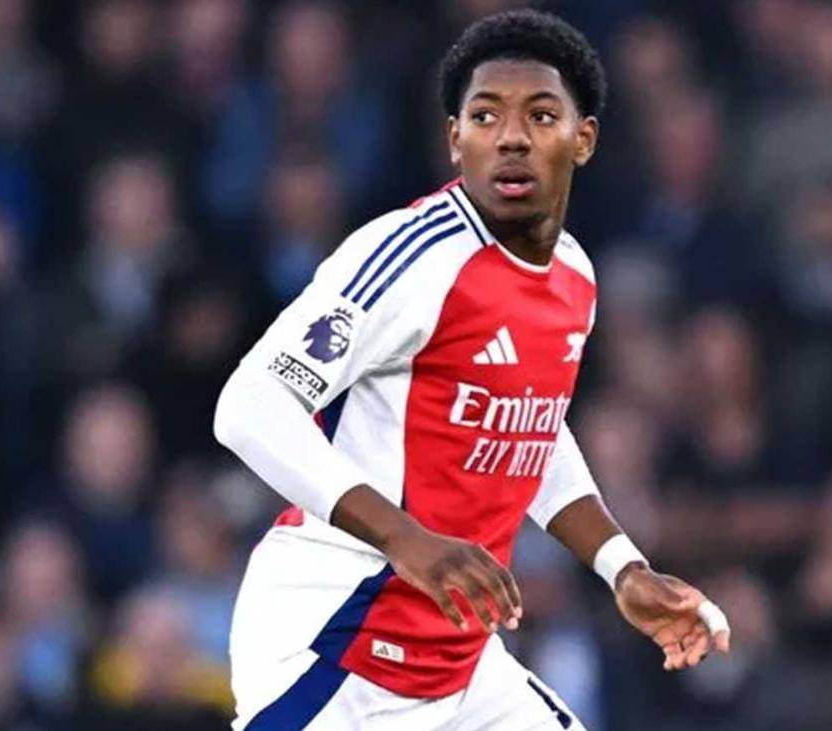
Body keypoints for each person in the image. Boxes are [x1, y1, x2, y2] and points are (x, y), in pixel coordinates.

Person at [214, 10, 731, 730]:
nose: (511, 137)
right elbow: (249, 406)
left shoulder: (574, 277)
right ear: (455, 139)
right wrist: (406, 538)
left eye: (540, 116)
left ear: (583, 139)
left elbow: (531, 428)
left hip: (457, 661)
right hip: (338, 640)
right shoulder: (409, 257)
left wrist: (623, 567)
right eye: (485, 117)